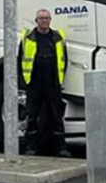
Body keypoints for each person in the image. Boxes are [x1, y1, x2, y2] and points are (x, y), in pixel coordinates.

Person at [18, 9, 70, 157]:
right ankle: (31, 147)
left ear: (50, 20)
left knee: (56, 116)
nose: (44, 21)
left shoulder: (57, 38)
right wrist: (23, 83)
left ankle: (61, 148)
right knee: (32, 116)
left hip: (52, 82)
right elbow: (20, 61)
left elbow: (64, 60)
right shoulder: (28, 38)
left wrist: (59, 80)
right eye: (41, 18)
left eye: (47, 18)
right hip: (34, 83)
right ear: (36, 20)